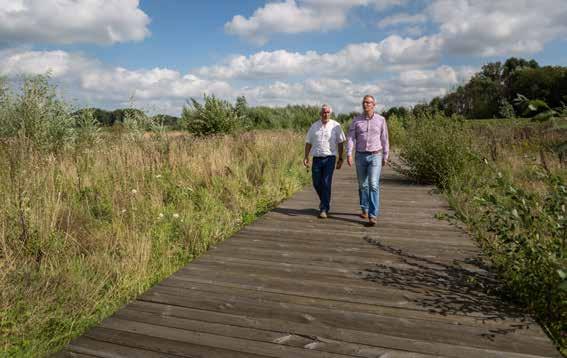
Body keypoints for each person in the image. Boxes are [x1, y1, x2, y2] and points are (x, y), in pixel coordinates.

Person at [346, 95, 389, 226]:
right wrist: (349, 153)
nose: (366, 105)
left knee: (373, 184)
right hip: (360, 156)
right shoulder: (356, 120)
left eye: (369, 102)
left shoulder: (381, 120)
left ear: (374, 105)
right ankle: (364, 208)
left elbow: (385, 138)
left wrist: (385, 155)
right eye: (364, 102)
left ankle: (373, 215)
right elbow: (351, 138)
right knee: (362, 185)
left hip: (376, 155)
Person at [303, 104, 346, 219]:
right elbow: (308, 142)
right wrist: (306, 157)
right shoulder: (314, 126)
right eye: (323, 112)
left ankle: (324, 208)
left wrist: (341, 158)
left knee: (326, 183)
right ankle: (325, 201)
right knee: (316, 182)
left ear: (330, 113)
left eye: (327, 112)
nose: (325, 114)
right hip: (316, 158)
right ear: (320, 113)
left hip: (330, 158)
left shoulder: (336, 125)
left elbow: (341, 142)